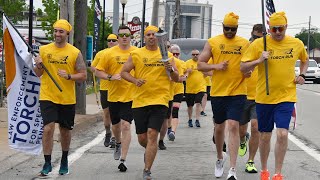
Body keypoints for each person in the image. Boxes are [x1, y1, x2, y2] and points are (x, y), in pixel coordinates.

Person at [240, 12, 308, 180]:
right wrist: (258, 60)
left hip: (286, 96)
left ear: (286, 27)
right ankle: (264, 170)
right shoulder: (258, 44)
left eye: (281, 29)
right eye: (274, 29)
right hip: (264, 97)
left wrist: (303, 75)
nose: (277, 32)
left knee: (282, 134)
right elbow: (243, 67)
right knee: (264, 136)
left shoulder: (296, 43)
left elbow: (304, 60)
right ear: (269, 28)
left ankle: (278, 173)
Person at [121, 25, 179, 180]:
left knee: (153, 134)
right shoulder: (136, 54)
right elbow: (124, 72)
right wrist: (135, 80)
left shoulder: (167, 56)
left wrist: (171, 70)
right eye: (148, 35)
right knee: (142, 138)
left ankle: (147, 169)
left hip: (160, 100)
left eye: (154, 34)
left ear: (158, 38)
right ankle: (149, 152)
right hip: (140, 101)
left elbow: (176, 78)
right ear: (144, 37)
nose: (151, 37)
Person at [197, 12, 250, 180]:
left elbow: (249, 63)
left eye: (232, 29)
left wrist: (249, 71)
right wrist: (217, 66)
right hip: (219, 92)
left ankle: (232, 170)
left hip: (238, 91)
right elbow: (200, 65)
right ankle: (220, 157)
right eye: (227, 28)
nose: (229, 32)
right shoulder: (213, 42)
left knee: (233, 125)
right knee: (219, 127)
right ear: (222, 27)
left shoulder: (244, 43)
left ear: (237, 28)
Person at [34, 19, 87, 176]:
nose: (57, 34)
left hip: (66, 98)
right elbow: (38, 74)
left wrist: (69, 76)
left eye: (61, 31)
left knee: (64, 131)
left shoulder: (74, 52)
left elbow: (83, 75)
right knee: (48, 128)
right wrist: (38, 65)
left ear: (67, 34)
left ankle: (64, 159)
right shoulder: (43, 50)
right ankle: (47, 163)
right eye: (55, 31)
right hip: (47, 95)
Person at [95, 26, 137, 172]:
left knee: (126, 125)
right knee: (116, 126)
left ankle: (123, 159)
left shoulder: (136, 53)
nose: (124, 37)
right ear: (118, 37)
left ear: (131, 37)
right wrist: (110, 77)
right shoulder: (109, 53)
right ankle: (118, 142)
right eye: (121, 35)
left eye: (127, 35)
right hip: (113, 94)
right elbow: (97, 71)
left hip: (131, 95)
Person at [238, 24, 263, 174]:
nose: (257, 40)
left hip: (258, 97)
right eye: (255, 37)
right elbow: (237, 67)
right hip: (241, 95)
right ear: (251, 35)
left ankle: (250, 161)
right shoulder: (244, 48)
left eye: (260, 38)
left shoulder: (266, 50)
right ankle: (242, 141)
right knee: (241, 130)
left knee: (255, 127)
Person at [91, 34, 118, 148]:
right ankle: (108, 132)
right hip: (105, 88)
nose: (111, 42)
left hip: (119, 89)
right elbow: (93, 68)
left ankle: (114, 138)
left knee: (116, 114)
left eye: (114, 40)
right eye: (109, 40)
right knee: (107, 114)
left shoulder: (121, 53)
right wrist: (103, 71)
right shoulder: (102, 54)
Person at [167, 44, 188, 141]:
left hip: (178, 90)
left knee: (175, 111)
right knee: (168, 113)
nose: (175, 55)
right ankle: (168, 128)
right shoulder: (167, 61)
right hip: (168, 90)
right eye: (173, 53)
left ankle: (172, 131)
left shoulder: (182, 63)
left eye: (177, 54)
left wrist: (185, 77)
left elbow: (185, 73)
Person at [185, 49, 207, 128]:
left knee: (198, 103)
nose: (195, 56)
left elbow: (207, 73)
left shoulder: (202, 63)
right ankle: (190, 119)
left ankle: (197, 120)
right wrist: (187, 71)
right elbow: (183, 74)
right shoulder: (187, 63)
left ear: (199, 55)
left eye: (196, 54)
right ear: (191, 55)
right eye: (193, 54)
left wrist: (204, 71)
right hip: (190, 89)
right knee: (190, 106)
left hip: (200, 87)